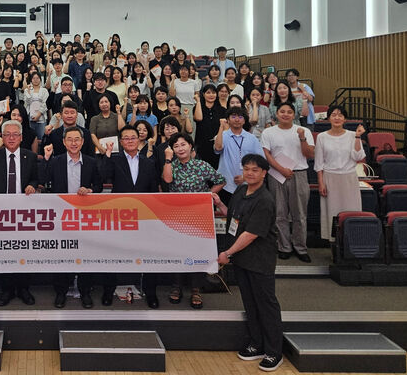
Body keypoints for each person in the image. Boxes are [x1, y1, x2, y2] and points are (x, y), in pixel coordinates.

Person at [215, 154, 284, 372]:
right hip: (242, 259)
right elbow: (234, 219)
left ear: (264, 173)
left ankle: (274, 352)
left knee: (266, 305)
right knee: (250, 304)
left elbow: (250, 234)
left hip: (259, 259)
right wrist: (219, 204)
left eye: (255, 170)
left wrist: (227, 253)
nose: (250, 173)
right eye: (246, 169)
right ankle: (257, 344)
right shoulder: (241, 191)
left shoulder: (265, 200)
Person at [0, 119, 39, 306]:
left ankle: (24, 289)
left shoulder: (30, 156)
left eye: (15, 134)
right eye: (7, 135)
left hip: (24, 212)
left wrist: (32, 186)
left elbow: (36, 179)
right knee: (5, 250)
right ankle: (7, 290)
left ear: (21, 137)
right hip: (1, 213)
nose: (11, 138)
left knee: (24, 250)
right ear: (2, 137)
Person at [41, 128, 103, 308]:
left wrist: (90, 190)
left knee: (85, 253)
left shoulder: (91, 162)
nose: (74, 143)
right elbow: (43, 181)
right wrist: (46, 159)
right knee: (62, 254)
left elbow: (99, 185)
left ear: (82, 142)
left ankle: (85, 291)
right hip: (61, 216)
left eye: (77, 139)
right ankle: (61, 291)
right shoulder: (56, 161)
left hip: (85, 217)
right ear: (64, 142)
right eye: (70, 139)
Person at [162, 133, 225, 309]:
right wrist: (168, 159)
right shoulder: (171, 165)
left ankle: (196, 289)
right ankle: (176, 286)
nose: (180, 149)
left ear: (190, 146)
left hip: (199, 215)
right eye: (176, 146)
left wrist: (207, 195)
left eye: (183, 144)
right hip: (177, 216)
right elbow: (167, 179)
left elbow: (221, 181)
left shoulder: (201, 165)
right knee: (177, 250)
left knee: (198, 251)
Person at [99, 126, 160, 308]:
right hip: (120, 215)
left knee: (149, 254)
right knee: (113, 254)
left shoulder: (148, 162)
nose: (130, 141)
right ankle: (108, 291)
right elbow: (104, 176)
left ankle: (151, 292)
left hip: (144, 216)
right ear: (121, 142)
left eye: (133, 137)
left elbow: (153, 190)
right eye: (126, 138)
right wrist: (107, 155)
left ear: (139, 140)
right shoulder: (114, 159)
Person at [261, 102, 315, 262]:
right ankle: (284, 246)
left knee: (300, 214)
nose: (285, 114)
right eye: (282, 111)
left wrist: (302, 138)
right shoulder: (268, 132)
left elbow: (309, 154)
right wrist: (281, 169)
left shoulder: (304, 130)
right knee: (280, 214)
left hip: (299, 174)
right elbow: (267, 154)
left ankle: (300, 247)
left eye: (289, 112)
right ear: (277, 114)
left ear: (294, 114)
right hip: (276, 174)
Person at [314, 106, 366, 241]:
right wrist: (321, 183)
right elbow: (319, 163)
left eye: (340, 115)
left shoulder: (352, 135)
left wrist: (357, 137)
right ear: (328, 118)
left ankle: (352, 242)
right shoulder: (321, 137)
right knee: (333, 212)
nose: (337, 118)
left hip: (349, 178)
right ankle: (334, 244)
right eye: (333, 115)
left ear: (345, 119)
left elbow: (358, 156)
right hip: (330, 178)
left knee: (351, 210)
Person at [214, 107, 266, 205]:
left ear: (244, 120)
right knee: (226, 212)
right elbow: (218, 148)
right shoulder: (222, 135)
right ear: (228, 120)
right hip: (226, 184)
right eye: (233, 117)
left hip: (248, 184)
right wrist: (221, 127)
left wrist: (245, 177)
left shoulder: (252, 138)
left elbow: (261, 161)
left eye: (240, 117)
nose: (237, 119)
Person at [194, 85, 223, 168]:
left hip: (217, 144)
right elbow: (198, 118)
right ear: (203, 94)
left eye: (213, 93)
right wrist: (198, 101)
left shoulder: (222, 110)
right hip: (202, 143)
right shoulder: (198, 107)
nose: (211, 95)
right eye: (208, 93)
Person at [22, 71, 49, 140]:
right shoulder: (27, 90)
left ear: (40, 79)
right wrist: (28, 91)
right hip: (30, 116)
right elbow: (27, 102)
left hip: (41, 117)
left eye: (37, 78)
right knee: (31, 138)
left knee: (42, 138)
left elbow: (45, 104)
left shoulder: (44, 90)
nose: (35, 80)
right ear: (31, 80)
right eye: (34, 78)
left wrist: (39, 114)